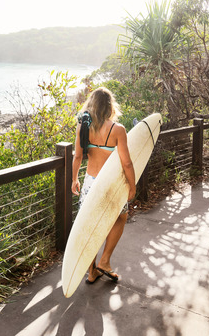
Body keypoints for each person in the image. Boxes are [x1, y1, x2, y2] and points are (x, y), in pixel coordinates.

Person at [71, 87, 136, 284]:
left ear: (91, 104)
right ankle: (105, 261)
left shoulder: (83, 127)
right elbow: (126, 163)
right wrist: (132, 186)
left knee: (89, 226)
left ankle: (92, 271)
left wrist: (74, 179)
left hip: (91, 183)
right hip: (112, 184)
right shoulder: (118, 130)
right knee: (120, 218)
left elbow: (78, 157)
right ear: (110, 106)